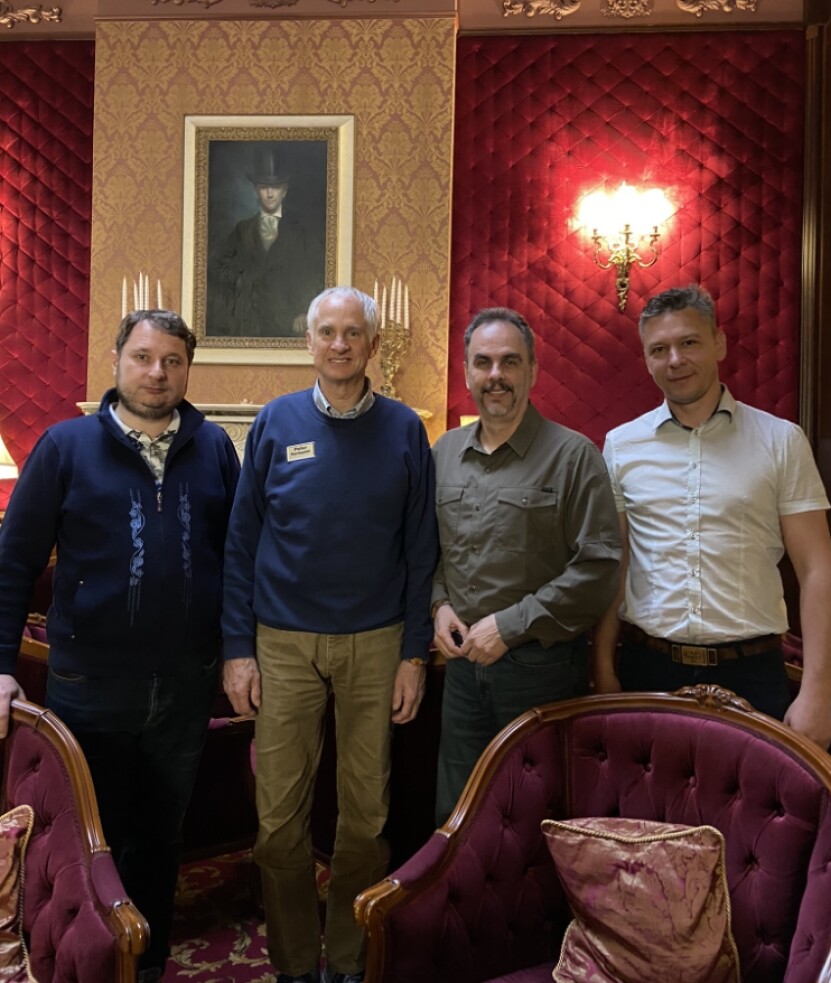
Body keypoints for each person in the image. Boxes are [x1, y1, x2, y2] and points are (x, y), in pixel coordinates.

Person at [0, 310, 241, 981]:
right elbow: (14, 561)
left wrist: (238, 649)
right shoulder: (65, 446)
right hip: (91, 689)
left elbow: (240, 560)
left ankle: (149, 961)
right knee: (89, 846)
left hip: (185, 690)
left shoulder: (216, 448)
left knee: (161, 840)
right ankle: (90, 963)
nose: (157, 372)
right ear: (116, 360)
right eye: (143, 357)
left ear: (188, 368)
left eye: (171, 360)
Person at [222, 286, 438, 983]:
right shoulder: (275, 422)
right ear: (308, 342)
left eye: (353, 332)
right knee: (278, 822)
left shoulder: (406, 428)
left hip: (376, 643)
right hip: (282, 641)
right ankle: (293, 963)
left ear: (372, 345)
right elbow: (241, 542)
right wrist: (236, 648)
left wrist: (413, 652)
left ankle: (346, 958)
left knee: (365, 819)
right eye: (326, 332)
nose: (340, 344)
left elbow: (420, 550)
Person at [592, 284, 831, 749]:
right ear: (646, 359)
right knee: (651, 820)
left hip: (753, 673)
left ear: (719, 343)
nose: (675, 360)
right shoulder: (621, 446)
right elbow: (616, 564)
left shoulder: (781, 440)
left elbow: (818, 570)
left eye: (689, 342)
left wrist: (818, 692)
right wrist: (603, 667)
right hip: (649, 669)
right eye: (659, 349)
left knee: (757, 822)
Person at [431, 307, 622, 825]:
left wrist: (510, 627)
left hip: (541, 670)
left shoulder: (574, 456)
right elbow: (434, 550)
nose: (496, 375)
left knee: (536, 816)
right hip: (463, 671)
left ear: (533, 371)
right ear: (467, 372)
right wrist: (440, 604)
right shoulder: (442, 453)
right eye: (483, 362)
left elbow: (600, 567)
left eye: (509, 362)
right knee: (457, 817)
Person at [208, 147, 324, 338]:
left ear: (284, 191)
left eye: (276, 188)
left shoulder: (301, 230)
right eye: (264, 187)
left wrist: (306, 311)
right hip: (247, 322)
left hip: (287, 321)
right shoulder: (242, 229)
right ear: (256, 190)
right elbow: (215, 265)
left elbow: (316, 272)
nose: (270, 194)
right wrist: (242, 279)